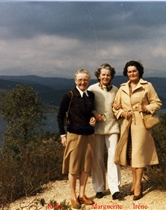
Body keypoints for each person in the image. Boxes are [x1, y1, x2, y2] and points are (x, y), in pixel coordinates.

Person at [113, 60, 162, 201]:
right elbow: (115, 106)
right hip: (126, 125)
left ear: (139, 71)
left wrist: (145, 108)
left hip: (140, 125)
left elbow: (157, 103)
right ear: (126, 73)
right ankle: (134, 184)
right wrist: (122, 113)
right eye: (129, 71)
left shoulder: (147, 86)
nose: (132, 73)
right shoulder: (121, 88)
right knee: (130, 155)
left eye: (134, 71)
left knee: (138, 155)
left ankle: (138, 186)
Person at [57, 69, 97, 209]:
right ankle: (73, 196)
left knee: (86, 166)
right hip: (74, 135)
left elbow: (91, 113)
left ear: (88, 81)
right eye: (80, 80)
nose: (82, 82)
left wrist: (93, 119)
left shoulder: (91, 95)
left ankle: (82, 195)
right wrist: (63, 135)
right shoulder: (69, 96)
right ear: (75, 81)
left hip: (89, 135)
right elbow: (60, 116)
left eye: (85, 79)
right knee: (73, 168)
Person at [88, 63, 123, 200]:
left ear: (111, 76)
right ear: (98, 76)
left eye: (108, 74)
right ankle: (99, 188)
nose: (106, 77)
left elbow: (119, 105)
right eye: (103, 74)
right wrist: (94, 113)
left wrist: (119, 106)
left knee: (114, 157)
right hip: (96, 128)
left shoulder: (116, 89)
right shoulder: (92, 89)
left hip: (112, 126)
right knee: (97, 158)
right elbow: (87, 106)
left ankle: (115, 189)